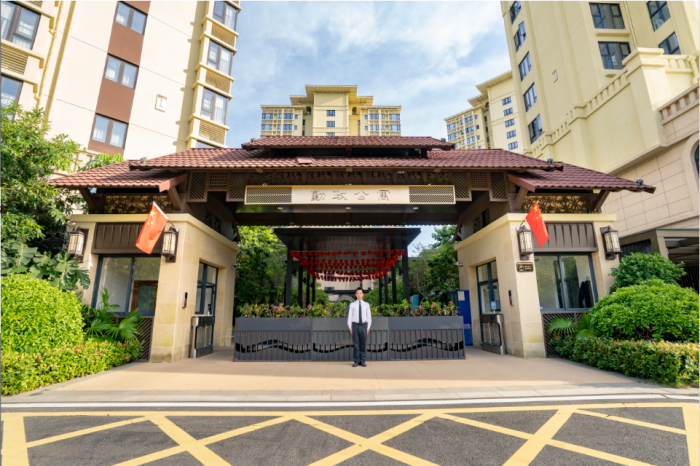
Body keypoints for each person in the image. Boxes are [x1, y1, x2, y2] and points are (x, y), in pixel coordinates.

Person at [347, 287, 371, 367]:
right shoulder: (352, 304)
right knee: (356, 344)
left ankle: (362, 361)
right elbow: (350, 316)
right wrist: (350, 327)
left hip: (364, 326)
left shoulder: (366, 305)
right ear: (355, 294)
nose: (359, 294)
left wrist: (368, 327)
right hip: (355, 325)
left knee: (363, 344)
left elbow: (369, 317)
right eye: (357, 293)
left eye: (360, 293)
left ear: (363, 294)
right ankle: (356, 361)